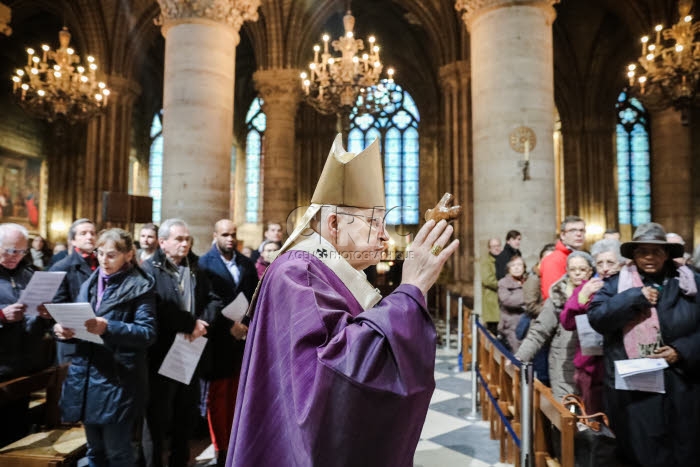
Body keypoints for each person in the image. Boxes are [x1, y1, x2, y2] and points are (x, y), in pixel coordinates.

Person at [226, 135, 459, 467]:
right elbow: (336, 374)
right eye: (375, 223)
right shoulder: (300, 273)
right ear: (333, 224)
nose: (384, 235)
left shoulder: (318, 271)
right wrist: (410, 290)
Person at [588, 223, 700, 466]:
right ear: (634, 255)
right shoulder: (617, 284)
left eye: (656, 251)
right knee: (643, 451)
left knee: (685, 448)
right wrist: (633, 297)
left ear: (667, 253)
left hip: (683, 382)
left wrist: (681, 350)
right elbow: (597, 319)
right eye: (642, 251)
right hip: (636, 386)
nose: (649, 257)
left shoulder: (692, 283)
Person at [54, 229, 156, 467]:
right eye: (99, 253)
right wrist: (66, 333)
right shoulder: (91, 282)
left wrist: (108, 327)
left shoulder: (140, 286)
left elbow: (147, 333)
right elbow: (82, 324)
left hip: (118, 379)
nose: (103, 260)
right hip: (87, 377)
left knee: (117, 452)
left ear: (128, 255)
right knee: (94, 451)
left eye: (111, 255)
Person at [141, 218, 219, 467]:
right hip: (162, 354)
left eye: (188, 239)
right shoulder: (149, 270)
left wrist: (202, 323)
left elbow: (214, 299)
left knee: (184, 418)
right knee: (157, 419)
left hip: (191, 351)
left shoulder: (196, 267)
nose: (185, 243)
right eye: (179, 239)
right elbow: (158, 307)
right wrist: (189, 324)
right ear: (163, 242)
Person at [198, 219, 257, 466]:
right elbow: (207, 300)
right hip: (218, 340)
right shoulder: (204, 263)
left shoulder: (246, 263)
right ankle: (220, 447)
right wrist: (229, 327)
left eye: (233, 234)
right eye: (225, 234)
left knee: (238, 394)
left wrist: (245, 325)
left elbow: (255, 294)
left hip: (242, 337)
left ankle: (236, 444)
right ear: (215, 236)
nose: (230, 239)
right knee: (217, 397)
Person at [515, 251, 595, 399]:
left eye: (582, 269)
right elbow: (540, 330)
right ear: (567, 271)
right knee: (567, 412)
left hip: (593, 364)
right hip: (563, 363)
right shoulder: (558, 297)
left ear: (590, 271)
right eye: (573, 269)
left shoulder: (599, 294)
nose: (577, 273)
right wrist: (521, 356)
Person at [559, 239, 622, 413]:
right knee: (593, 418)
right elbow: (567, 322)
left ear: (622, 263)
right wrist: (583, 297)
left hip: (618, 361)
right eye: (600, 263)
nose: (605, 268)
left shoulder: (626, 285)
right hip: (590, 364)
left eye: (610, 262)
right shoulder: (587, 287)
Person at [0, 223, 48, 446]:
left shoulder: (28, 275)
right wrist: (1, 316)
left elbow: (34, 325)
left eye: (21, 251)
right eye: (10, 250)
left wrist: (45, 315)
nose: (15, 257)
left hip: (21, 365)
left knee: (16, 436)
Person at [50, 218, 97, 363]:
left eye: (92, 233)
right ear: (73, 241)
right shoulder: (61, 267)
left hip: (98, 336)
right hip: (72, 339)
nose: (89, 237)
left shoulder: (103, 264)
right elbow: (57, 305)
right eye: (83, 233)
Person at [520, 243, 556, 386]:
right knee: (543, 374)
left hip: (556, 332)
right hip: (541, 328)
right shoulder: (534, 278)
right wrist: (552, 313)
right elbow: (530, 305)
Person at [540, 215, 586, 299]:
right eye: (573, 230)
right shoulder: (553, 260)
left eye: (582, 230)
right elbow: (552, 296)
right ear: (563, 235)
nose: (579, 234)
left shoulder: (581, 257)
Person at [497, 255, 527, 352]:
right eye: (513, 265)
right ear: (509, 268)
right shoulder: (503, 283)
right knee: (517, 355)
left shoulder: (529, 281)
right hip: (511, 325)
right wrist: (528, 298)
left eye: (519, 265)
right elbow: (507, 300)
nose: (517, 268)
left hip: (528, 324)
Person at [481, 238, 502, 334]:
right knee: (492, 331)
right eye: (494, 246)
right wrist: (504, 285)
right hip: (492, 300)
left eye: (498, 246)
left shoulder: (503, 259)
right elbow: (487, 280)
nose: (496, 248)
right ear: (489, 249)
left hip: (502, 300)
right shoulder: (486, 261)